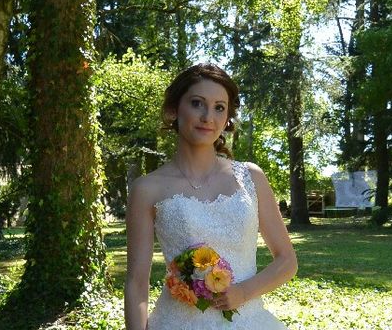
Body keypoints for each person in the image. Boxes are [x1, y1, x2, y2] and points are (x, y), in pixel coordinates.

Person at [124, 63, 297, 329]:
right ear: (173, 110)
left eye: (219, 107)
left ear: (227, 117)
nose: (208, 117)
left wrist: (243, 292)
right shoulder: (147, 189)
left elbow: (287, 261)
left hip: (248, 322)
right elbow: (136, 283)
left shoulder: (250, 177)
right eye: (197, 103)